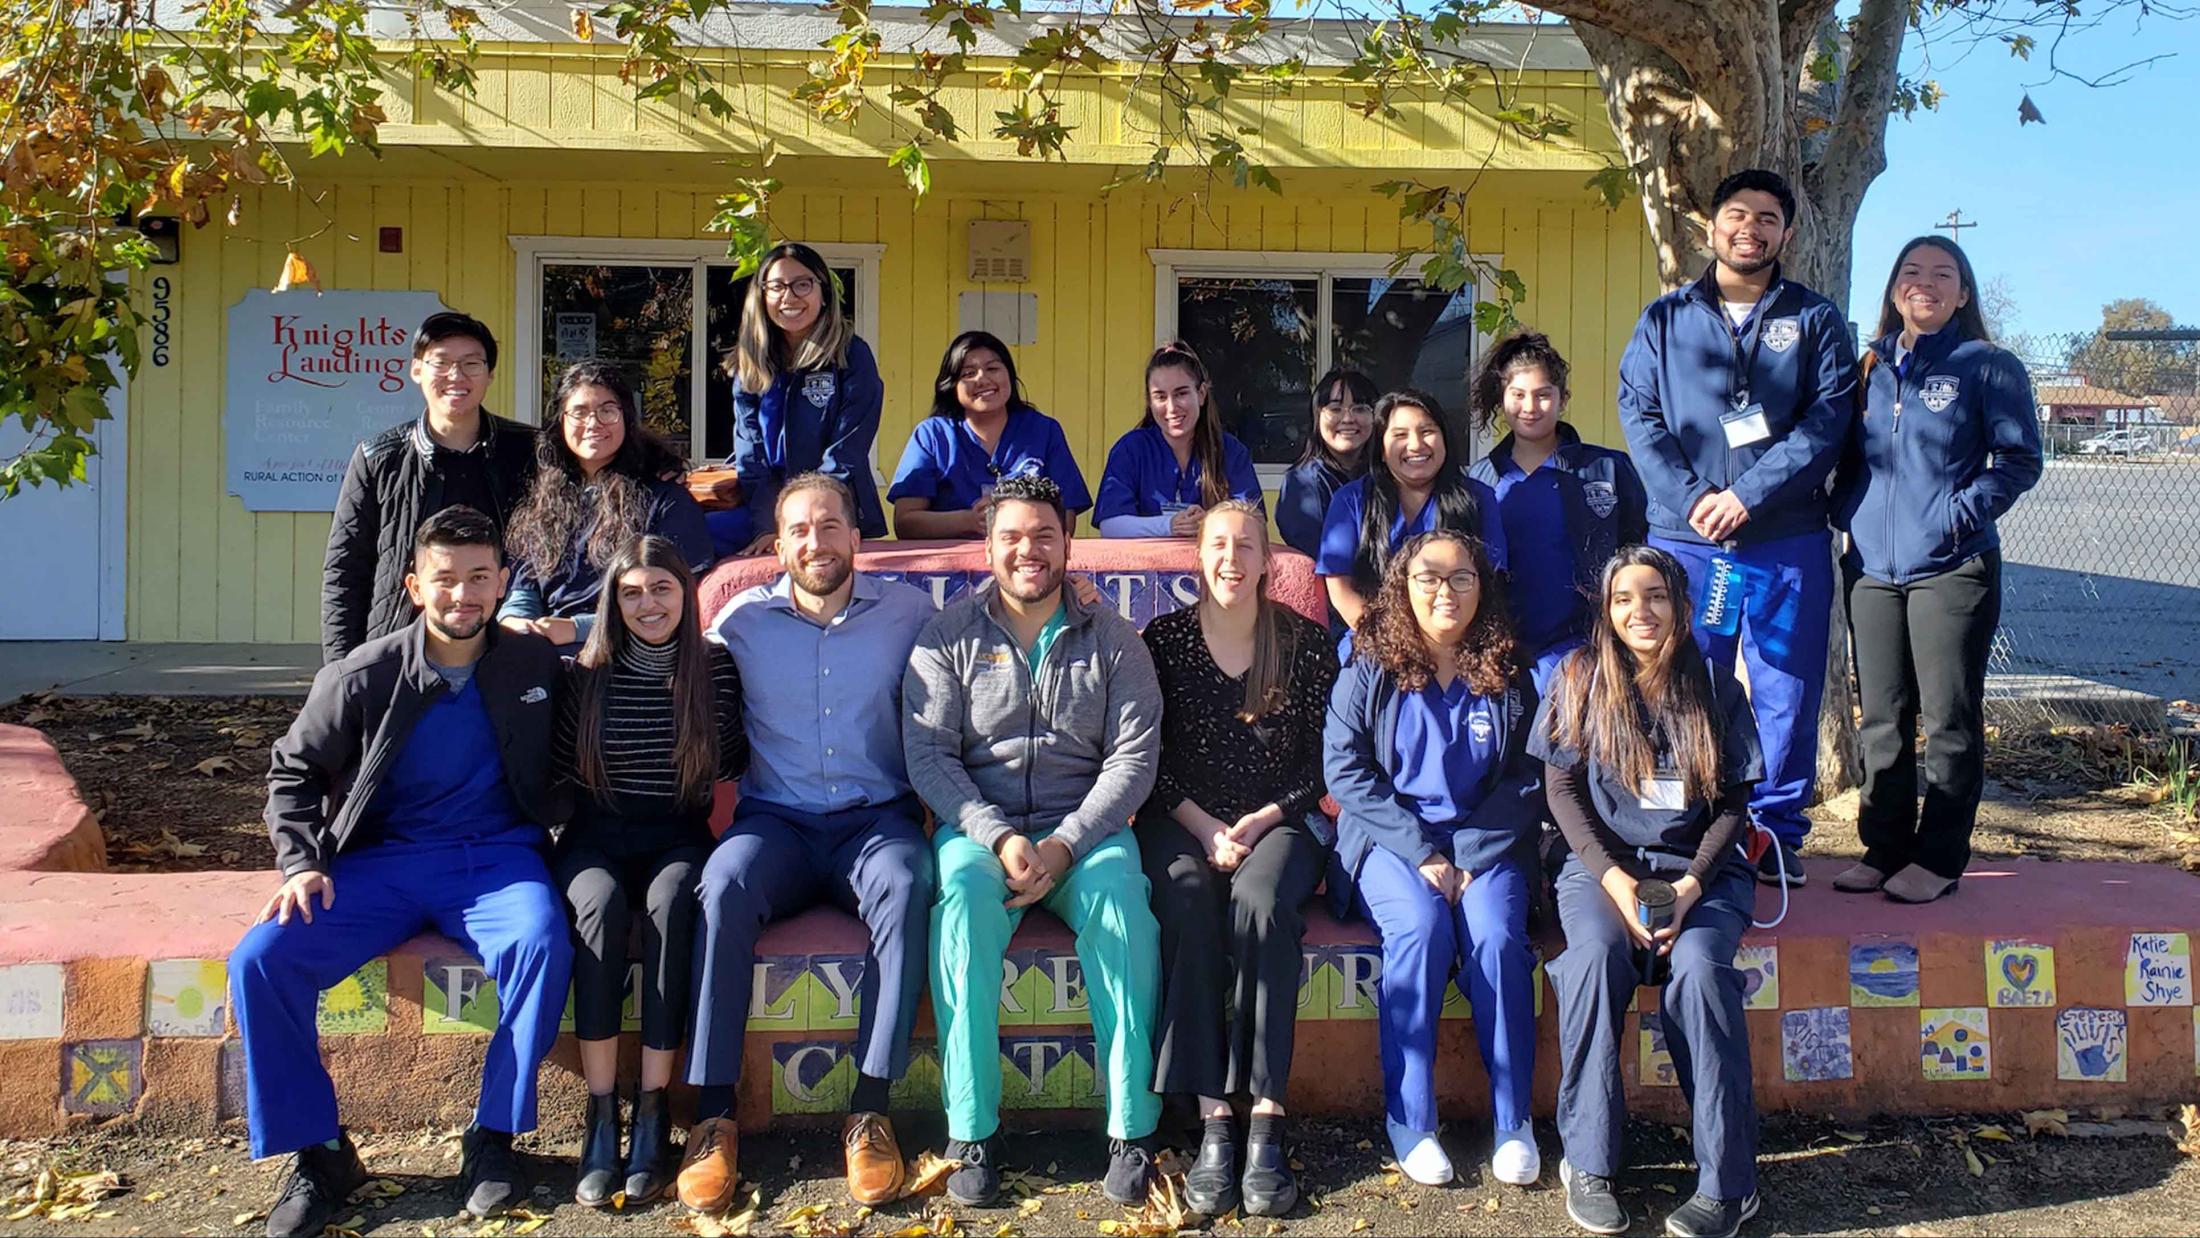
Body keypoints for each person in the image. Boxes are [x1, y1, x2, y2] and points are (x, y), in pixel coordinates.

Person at [231, 507, 570, 1238]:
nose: (463, 595)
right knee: (262, 960)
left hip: (496, 858)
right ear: (416, 586)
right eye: (445, 579)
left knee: (540, 941)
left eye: (480, 577)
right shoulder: (363, 674)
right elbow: (292, 769)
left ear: (503, 581)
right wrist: (299, 861)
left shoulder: (532, 665)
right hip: (380, 863)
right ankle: (320, 1154)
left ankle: (492, 1136)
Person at [903, 475, 1165, 1208]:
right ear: (985, 546)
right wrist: (993, 835)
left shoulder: (1113, 640)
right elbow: (930, 756)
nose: (1028, 550)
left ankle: (1131, 1126)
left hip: (1087, 831)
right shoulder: (946, 635)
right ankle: (972, 1131)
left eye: (1043, 535)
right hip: (979, 832)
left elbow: (1133, 759)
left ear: (1067, 543)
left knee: (1121, 907)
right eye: (1011, 536)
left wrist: (1067, 845)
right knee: (958, 908)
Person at [679, 473, 939, 1212]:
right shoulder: (739, 619)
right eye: (800, 529)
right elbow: (663, 653)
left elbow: (990, 634)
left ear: (857, 537)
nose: (816, 542)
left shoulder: (911, 612)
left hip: (874, 822)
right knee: (722, 883)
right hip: (776, 825)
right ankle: (714, 1116)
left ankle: (871, 1109)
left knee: (908, 881)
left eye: (830, 527)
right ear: (778, 542)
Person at [1616, 167, 1858, 888]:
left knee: (1787, 687)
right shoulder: (1665, 320)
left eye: (1766, 219)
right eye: (1736, 214)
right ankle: (1685, 822)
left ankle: (1774, 835)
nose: (1749, 229)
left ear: (1786, 233)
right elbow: (1641, 416)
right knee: (1683, 681)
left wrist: (1748, 495)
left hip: (1784, 541)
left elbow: (1827, 421)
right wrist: (1695, 500)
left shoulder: (1815, 321)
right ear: (1710, 226)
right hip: (1690, 545)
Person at [1531, 546, 1765, 1238]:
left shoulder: (1716, 685)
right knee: (1595, 961)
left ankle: (1729, 1185)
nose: (1642, 610)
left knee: (1697, 974)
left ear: (1682, 608)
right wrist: (1614, 880)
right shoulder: (1577, 678)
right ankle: (1592, 1161)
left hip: (1701, 872)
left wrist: (1691, 885)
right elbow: (1561, 789)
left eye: (1656, 595)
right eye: (1625, 598)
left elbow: (1732, 806)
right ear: (1606, 611)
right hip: (1601, 869)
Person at [1321, 530, 1543, 1188]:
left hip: (1486, 843)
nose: (1445, 592)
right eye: (1429, 578)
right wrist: (1421, 851)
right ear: (1403, 586)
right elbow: (1345, 772)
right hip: (1393, 841)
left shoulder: (1507, 667)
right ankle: (1411, 1120)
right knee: (1419, 929)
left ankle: (1513, 1121)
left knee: (1499, 938)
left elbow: (1528, 776)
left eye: (1461, 578)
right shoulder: (1370, 663)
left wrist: (1468, 854)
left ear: (1483, 586)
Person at [1138, 501, 1337, 1218]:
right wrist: (1204, 825)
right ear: (1200, 556)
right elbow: (1145, 759)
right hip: (1181, 818)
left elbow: (1323, 762)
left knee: (1260, 904)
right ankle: (1215, 1118)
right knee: (1187, 898)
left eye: (1245, 545)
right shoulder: (1163, 641)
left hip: (1278, 819)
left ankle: (1266, 1122)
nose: (1230, 558)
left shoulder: (1306, 645)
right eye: (1218, 544)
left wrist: (1259, 820)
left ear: (1266, 558)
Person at [1830, 237, 2041, 904]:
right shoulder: (1868, 368)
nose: (1926, 283)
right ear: (1894, 290)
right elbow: (1844, 457)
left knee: (1949, 717)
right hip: (1869, 570)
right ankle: (1884, 846)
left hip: (1952, 568)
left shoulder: (1989, 366)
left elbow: (2018, 460)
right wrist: (1846, 513)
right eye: (1912, 273)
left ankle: (1942, 857)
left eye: (1942, 274)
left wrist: (1959, 514)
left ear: (1963, 293)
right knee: (1882, 718)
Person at [553, 536, 747, 1208]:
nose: (647, 603)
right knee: (599, 908)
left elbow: (733, 759)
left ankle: (655, 1106)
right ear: (612, 601)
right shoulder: (585, 673)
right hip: (595, 835)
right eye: (631, 592)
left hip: (677, 833)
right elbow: (555, 772)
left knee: (672, 903)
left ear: (686, 595)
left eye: (661, 588)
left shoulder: (714, 668)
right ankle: (602, 1111)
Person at [322, 311, 537, 664]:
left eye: (471, 364)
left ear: (490, 374)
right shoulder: (379, 458)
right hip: (400, 648)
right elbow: (346, 571)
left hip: (503, 652)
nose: (456, 376)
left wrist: (659, 462)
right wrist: (340, 674)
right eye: (441, 362)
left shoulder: (529, 450)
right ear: (417, 369)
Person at [1467, 333, 1647, 694]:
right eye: (1518, 395)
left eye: (1543, 394)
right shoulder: (1479, 480)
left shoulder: (1607, 469)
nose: (1530, 406)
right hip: (1503, 655)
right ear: (1503, 400)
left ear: (1563, 400)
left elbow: (1641, 553)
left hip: (1586, 650)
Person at [500, 361, 715, 652]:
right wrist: (516, 619)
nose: (593, 423)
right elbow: (525, 585)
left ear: (627, 418)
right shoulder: (543, 500)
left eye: (607, 411)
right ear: (560, 420)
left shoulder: (664, 500)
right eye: (579, 412)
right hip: (545, 649)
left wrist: (578, 629)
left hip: (628, 653)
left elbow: (676, 602)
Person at [714, 242, 887, 556]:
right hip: (764, 509)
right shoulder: (751, 363)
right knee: (694, 536)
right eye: (776, 286)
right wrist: (767, 526)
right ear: (761, 295)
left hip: (831, 507)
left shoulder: (851, 355)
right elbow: (751, 459)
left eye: (802, 284)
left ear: (823, 292)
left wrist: (802, 521)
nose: (789, 296)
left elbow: (845, 453)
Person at [1317, 390, 1506, 637]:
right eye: (1400, 435)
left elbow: (1490, 582)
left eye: (1427, 431)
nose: (1416, 445)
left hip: (1458, 642)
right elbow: (1340, 588)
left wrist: (1441, 645)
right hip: (1375, 641)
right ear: (1382, 450)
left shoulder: (1478, 498)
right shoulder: (1351, 500)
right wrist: (1390, 643)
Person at [888, 331, 1092, 538]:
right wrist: (968, 520)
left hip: (1025, 560)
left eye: (993, 368)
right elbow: (905, 522)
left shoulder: (1044, 430)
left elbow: (1065, 516)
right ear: (952, 386)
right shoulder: (931, 435)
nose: (982, 379)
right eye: (968, 374)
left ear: (1010, 376)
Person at [1093, 341, 1264, 537]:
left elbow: (1254, 521)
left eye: (1181, 393)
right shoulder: (1131, 449)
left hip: (1211, 567)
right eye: (1160, 397)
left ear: (1201, 394)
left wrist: (1209, 523)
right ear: (1149, 402)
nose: (1172, 408)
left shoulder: (1230, 451)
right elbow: (1110, 526)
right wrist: (1169, 525)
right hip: (1145, 567)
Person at [1276, 369, 1377, 560]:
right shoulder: (1303, 483)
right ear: (1317, 416)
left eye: (1360, 408)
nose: (1348, 419)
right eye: (1335, 409)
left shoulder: (1384, 475)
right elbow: (1327, 561)